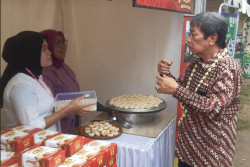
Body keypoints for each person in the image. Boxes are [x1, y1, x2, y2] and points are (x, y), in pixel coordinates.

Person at [156, 12, 243, 167]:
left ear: (212, 39)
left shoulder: (228, 68)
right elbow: (183, 89)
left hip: (211, 153)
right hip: (188, 147)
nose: (188, 39)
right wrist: (166, 74)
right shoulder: (197, 63)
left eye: (193, 35)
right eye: (189, 34)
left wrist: (175, 89)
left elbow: (214, 108)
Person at [0, 31, 95, 131]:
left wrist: (76, 105)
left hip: (46, 141)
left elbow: (48, 109)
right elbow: (32, 127)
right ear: (30, 53)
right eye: (44, 49)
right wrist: (69, 109)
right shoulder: (21, 85)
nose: (49, 52)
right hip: (30, 144)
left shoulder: (36, 77)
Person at [41, 29, 110, 133]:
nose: (63, 46)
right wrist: (72, 108)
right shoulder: (44, 74)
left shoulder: (65, 68)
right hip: (59, 126)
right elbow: (51, 105)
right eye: (58, 43)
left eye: (64, 42)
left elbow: (74, 94)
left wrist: (96, 105)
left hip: (74, 121)